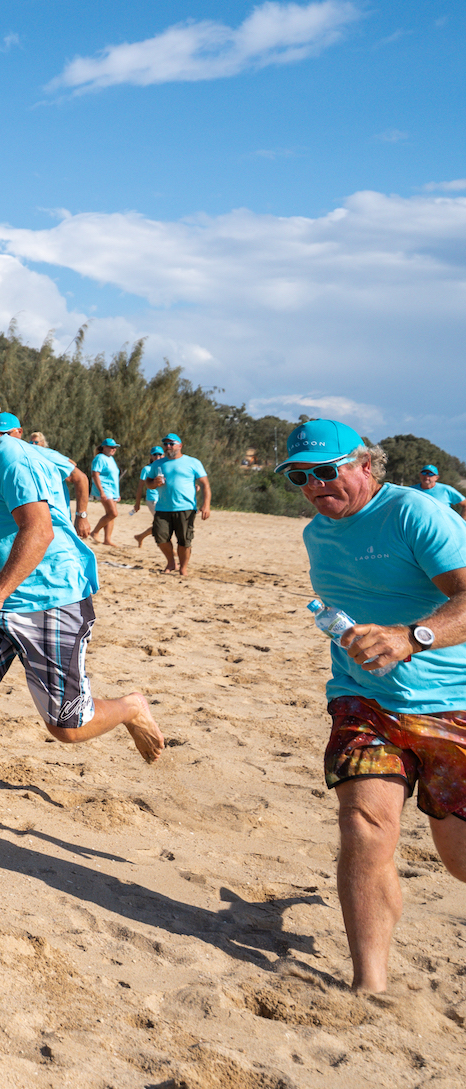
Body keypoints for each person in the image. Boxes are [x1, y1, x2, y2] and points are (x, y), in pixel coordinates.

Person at [0, 377, 163, 816]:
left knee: (66, 727)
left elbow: (38, 530)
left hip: (50, 596)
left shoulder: (13, 459)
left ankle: (130, 707)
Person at [276, 419, 466, 993]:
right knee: (364, 827)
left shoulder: (415, 513)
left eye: (326, 471)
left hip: (451, 705)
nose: (314, 486)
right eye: (301, 477)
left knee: (459, 861)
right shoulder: (317, 533)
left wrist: (413, 637)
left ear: (365, 465)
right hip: (363, 700)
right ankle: (370, 986)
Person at [2, 416, 90, 533]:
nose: (3, 438)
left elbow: (80, 478)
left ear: (19, 432)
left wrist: (81, 516)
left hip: (57, 529)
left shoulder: (42, 453)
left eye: (7, 433)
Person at [144, 434, 211, 576]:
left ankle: (183, 568)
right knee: (160, 536)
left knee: (184, 540)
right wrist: (154, 483)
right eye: (165, 444)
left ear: (180, 445)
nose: (168, 446)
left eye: (171, 444)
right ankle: (171, 562)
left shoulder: (192, 462)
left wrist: (206, 505)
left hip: (186, 508)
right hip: (162, 507)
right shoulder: (157, 464)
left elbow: (205, 485)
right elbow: (148, 482)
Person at [89, 439, 123, 546]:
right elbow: (95, 474)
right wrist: (101, 492)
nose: (113, 449)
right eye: (111, 447)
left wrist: (117, 494)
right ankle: (95, 532)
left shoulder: (111, 459)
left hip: (113, 491)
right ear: (104, 447)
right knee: (113, 513)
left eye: (115, 447)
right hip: (104, 489)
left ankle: (107, 539)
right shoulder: (99, 458)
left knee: (110, 515)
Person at [131, 446, 165, 544]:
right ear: (151, 456)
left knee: (161, 523)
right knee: (163, 523)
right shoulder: (147, 469)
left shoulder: (165, 468)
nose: (157, 456)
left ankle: (140, 536)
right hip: (152, 499)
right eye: (155, 454)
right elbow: (140, 487)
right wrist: (137, 503)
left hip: (163, 499)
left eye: (160, 454)